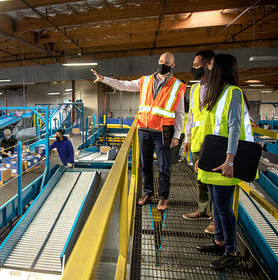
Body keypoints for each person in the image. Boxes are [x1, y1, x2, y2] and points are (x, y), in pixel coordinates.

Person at [91, 52, 186, 210]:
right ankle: (148, 193)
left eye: (167, 62)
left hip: (163, 131)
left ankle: (163, 198)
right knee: (145, 165)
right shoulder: (146, 80)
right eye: (161, 61)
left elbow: (180, 113)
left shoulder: (178, 86)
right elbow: (124, 85)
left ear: (173, 65)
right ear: (158, 61)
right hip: (144, 129)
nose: (163, 64)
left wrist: (177, 135)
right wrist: (104, 79)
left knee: (163, 166)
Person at [195, 54, 254, 269]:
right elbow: (209, 129)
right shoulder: (216, 94)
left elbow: (234, 128)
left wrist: (230, 161)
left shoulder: (233, 93)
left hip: (225, 161)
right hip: (212, 158)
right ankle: (219, 241)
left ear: (220, 68)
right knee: (217, 206)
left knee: (223, 208)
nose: (207, 68)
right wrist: (201, 157)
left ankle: (232, 252)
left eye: (210, 65)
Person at [182, 50, 216, 235]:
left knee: (214, 182)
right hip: (197, 141)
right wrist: (187, 138)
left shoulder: (220, 87)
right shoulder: (195, 89)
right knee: (201, 179)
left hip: (214, 142)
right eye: (193, 65)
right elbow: (191, 117)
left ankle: (215, 219)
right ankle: (203, 210)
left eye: (197, 65)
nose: (194, 68)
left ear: (208, 65)